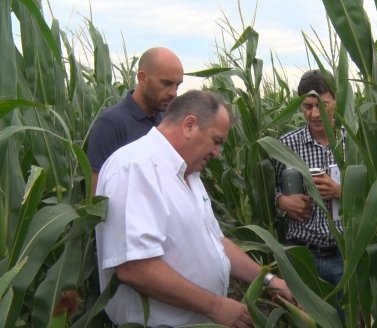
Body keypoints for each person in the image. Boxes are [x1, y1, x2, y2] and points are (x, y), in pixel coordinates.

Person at [95, 90, 294, 327]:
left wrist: (269, 280)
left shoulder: (189, 173)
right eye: (217, 141)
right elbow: (134, 267)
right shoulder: (136, 168)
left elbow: (217, 242)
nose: (219, 153)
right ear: (189, 125)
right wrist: (215, 306)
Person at [274, 69, 343, 295]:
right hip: (301, 254)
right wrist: (282, 201)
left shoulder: (354, 143)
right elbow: (267, 189)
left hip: (342, 255)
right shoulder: (285, 145)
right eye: (307, 106)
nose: (314, 114)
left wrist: (341, 191)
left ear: (336, 101)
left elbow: (376, 191)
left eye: (322, 105)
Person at [87, 46, 184, 195]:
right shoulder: (110, 123)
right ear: (142, 78)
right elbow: (95, 193)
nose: (173, 93)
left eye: (177, 85)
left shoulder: (165, 121)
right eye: (166, 83)